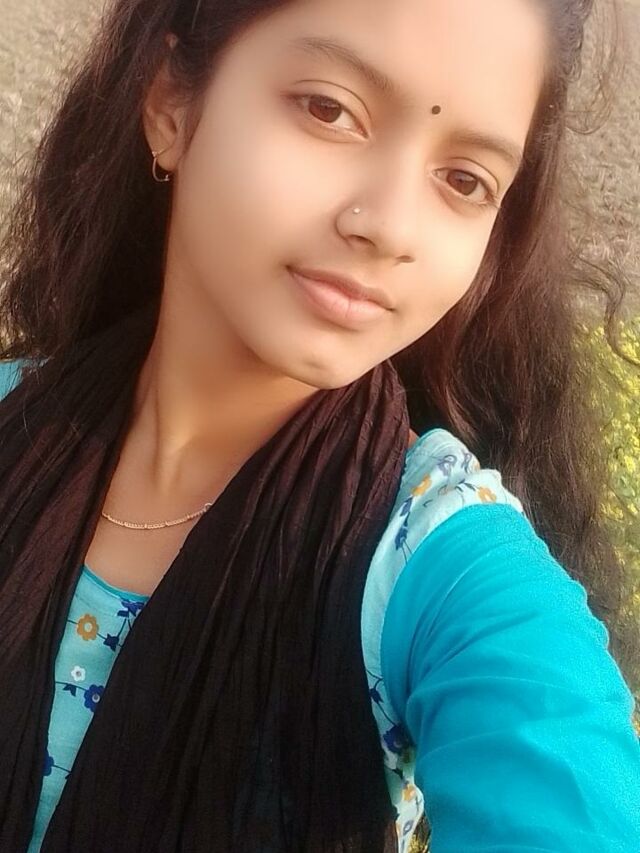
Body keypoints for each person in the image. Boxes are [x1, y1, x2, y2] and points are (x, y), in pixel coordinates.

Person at [0, 0, 638, 850]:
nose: (390, 226)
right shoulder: (17, 419)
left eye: (464, 180)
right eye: (330, 109)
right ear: (170, 104)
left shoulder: (431, 565)